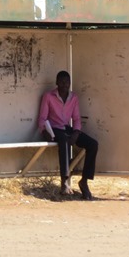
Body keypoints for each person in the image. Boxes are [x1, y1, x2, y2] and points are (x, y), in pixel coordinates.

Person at [38, 70, 99, 199]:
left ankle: (84, 181)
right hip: (54, 129)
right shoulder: (49, 96)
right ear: (57, 82)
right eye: (62, 81)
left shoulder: (74, 97)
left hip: (67, 128)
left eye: (67, 82)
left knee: (93, 144)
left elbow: (76, 119)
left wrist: (76, 132)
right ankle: (64, 181)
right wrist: (44, 131)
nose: (65, 84)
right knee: (64, 141)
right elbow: (42, 118)